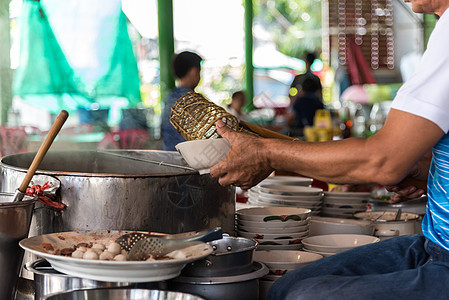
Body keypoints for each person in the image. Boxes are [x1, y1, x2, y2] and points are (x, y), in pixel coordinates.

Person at [209, 0, 449, 298]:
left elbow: (382, 160)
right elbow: (390, 159)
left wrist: (267, 153)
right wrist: (426, 172)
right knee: (284, 287)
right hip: (433, 242)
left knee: (302, 296)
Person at [161, 51, 202, 151]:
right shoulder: (193, 99)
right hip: (189, 160)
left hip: (169, 156)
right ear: (194, 72)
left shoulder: (170, 96)